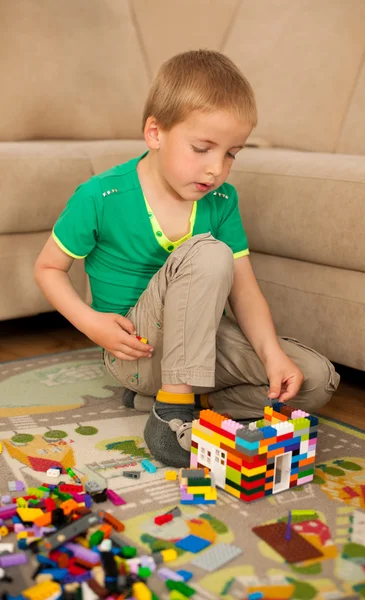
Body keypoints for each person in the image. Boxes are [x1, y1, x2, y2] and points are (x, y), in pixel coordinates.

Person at [34, 49, 340, 468]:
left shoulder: (222, 200)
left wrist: (272, 355)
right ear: (155, 133)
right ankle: (172, 411)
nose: (216, 169)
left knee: (315, 380)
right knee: (207, 252)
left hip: (197, 349)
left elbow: (245, 291)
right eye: (202, 148)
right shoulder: (100, 196)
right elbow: (48, 268)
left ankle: (174, 401)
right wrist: (93, 324)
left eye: (232, 153)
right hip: (133, 351)